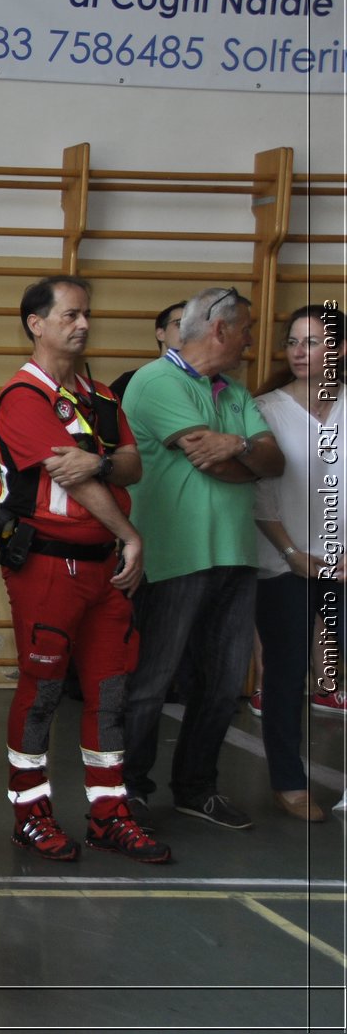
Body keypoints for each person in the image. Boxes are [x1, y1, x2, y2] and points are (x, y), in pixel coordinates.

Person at [0, 276, 168, 863]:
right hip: (47, 567)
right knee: (42, 694)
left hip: (106, 571)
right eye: (70, 315)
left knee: (109, 693)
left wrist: (99, 460)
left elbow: (132, 465)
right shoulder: (23, 397)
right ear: (35, 324)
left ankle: (109, 812)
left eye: (87, 314)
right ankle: (30, 812)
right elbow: (78, 479)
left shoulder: (101, 396)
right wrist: (131, 534)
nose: (83, 324)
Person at [121, 286, 283, 830]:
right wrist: (246, 455)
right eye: (246, 330)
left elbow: (273, 459)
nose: (251, 341)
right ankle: (129, 790)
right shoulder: (154, 381)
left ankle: (196, 788)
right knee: (151, 682)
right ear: (219, 330)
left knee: (221, 684)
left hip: (235, 556)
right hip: (174, 557)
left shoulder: (232, 391)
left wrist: (237, 447)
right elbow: (206, 460)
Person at [251, 304, 343, 822]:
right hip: (285, 563)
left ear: (340, 349)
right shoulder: (264, 409)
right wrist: (292, 552)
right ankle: (290, 782)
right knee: (286, 676)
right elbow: (260, 495)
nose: (299, 352)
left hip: (346, 565)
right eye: (293, 342)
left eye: (312, 342)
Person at [110, 301, 185, 401]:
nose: (189, 330)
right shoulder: (132, 381)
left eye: (194, 325)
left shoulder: (206, 383)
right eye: (180, 323)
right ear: (161, 334)